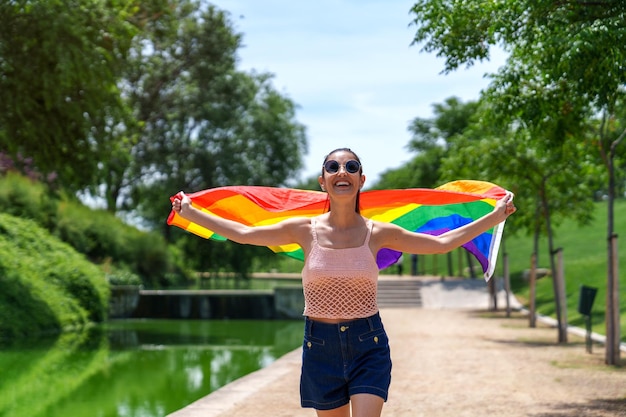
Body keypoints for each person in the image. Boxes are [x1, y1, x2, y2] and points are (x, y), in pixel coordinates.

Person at [171, 147, 516, 417]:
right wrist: (192, 212)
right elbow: (245, 233)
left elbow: (442, 243)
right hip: (319, 347)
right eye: (333, 167)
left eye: (351, 168)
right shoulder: (303, 230)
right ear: (322, 181)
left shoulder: (378, 233)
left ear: (361, 180)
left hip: (369, 343)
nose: (342, 172)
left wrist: (493, 216)